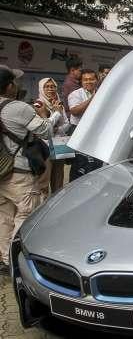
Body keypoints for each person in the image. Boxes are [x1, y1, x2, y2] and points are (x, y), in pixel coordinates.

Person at [0, 66, 58, 273]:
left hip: (1, 172)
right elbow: (46, 130)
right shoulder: (17, 108)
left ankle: (5, 258)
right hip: (19, 173)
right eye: (14, 82)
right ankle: (17, 260)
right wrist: (44, 115)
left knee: (4, 217)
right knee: (25, 215)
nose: (16, 85)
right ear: (8, 86)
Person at [68, 69, 103, 181]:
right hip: (79, 132)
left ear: (96, 80)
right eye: (85, 80)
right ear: (81, 82)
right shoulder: (75, 94)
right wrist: (93, 98)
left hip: (97, 133)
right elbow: (74, 111)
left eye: (91, 79)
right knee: (80, 164)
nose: (89, 82)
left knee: (96, 163)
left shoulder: (103, 92)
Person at [37, 78, 70, 193]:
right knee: (44, 181)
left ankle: (56, 206)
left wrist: (55, 129)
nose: (50, 89)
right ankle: (43, 208)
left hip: (59, 143)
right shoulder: (38, 104)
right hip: (44, 147)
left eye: (53, 86)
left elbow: (67, 124)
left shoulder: (58, 103)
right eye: (47, 86)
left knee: (58, 179)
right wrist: (56, 113)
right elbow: (44, 127)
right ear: (41, 88)